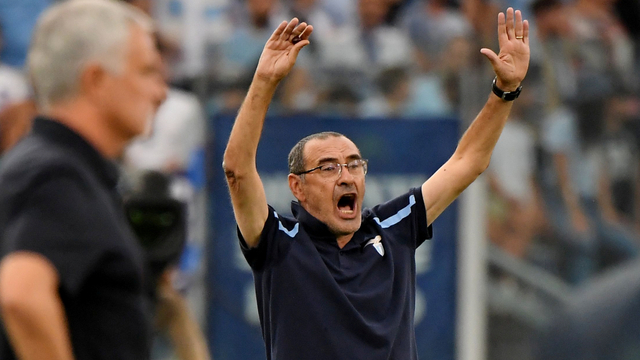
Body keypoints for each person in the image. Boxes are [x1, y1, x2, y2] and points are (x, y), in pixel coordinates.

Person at [223, 8, 530, 360]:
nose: (346, 175)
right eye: (327, 167)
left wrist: (505, 90)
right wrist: (264, 82)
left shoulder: (392, 228)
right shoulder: (279, 244)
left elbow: (467, 161)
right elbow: (237, 171)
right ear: (297, 187)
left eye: (354, 164)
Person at [0, 1, 167, 360]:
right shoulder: (56, 174)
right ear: (96, 80)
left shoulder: (56, 167)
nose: (160, 92)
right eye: (146, 71)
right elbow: (21, 295)